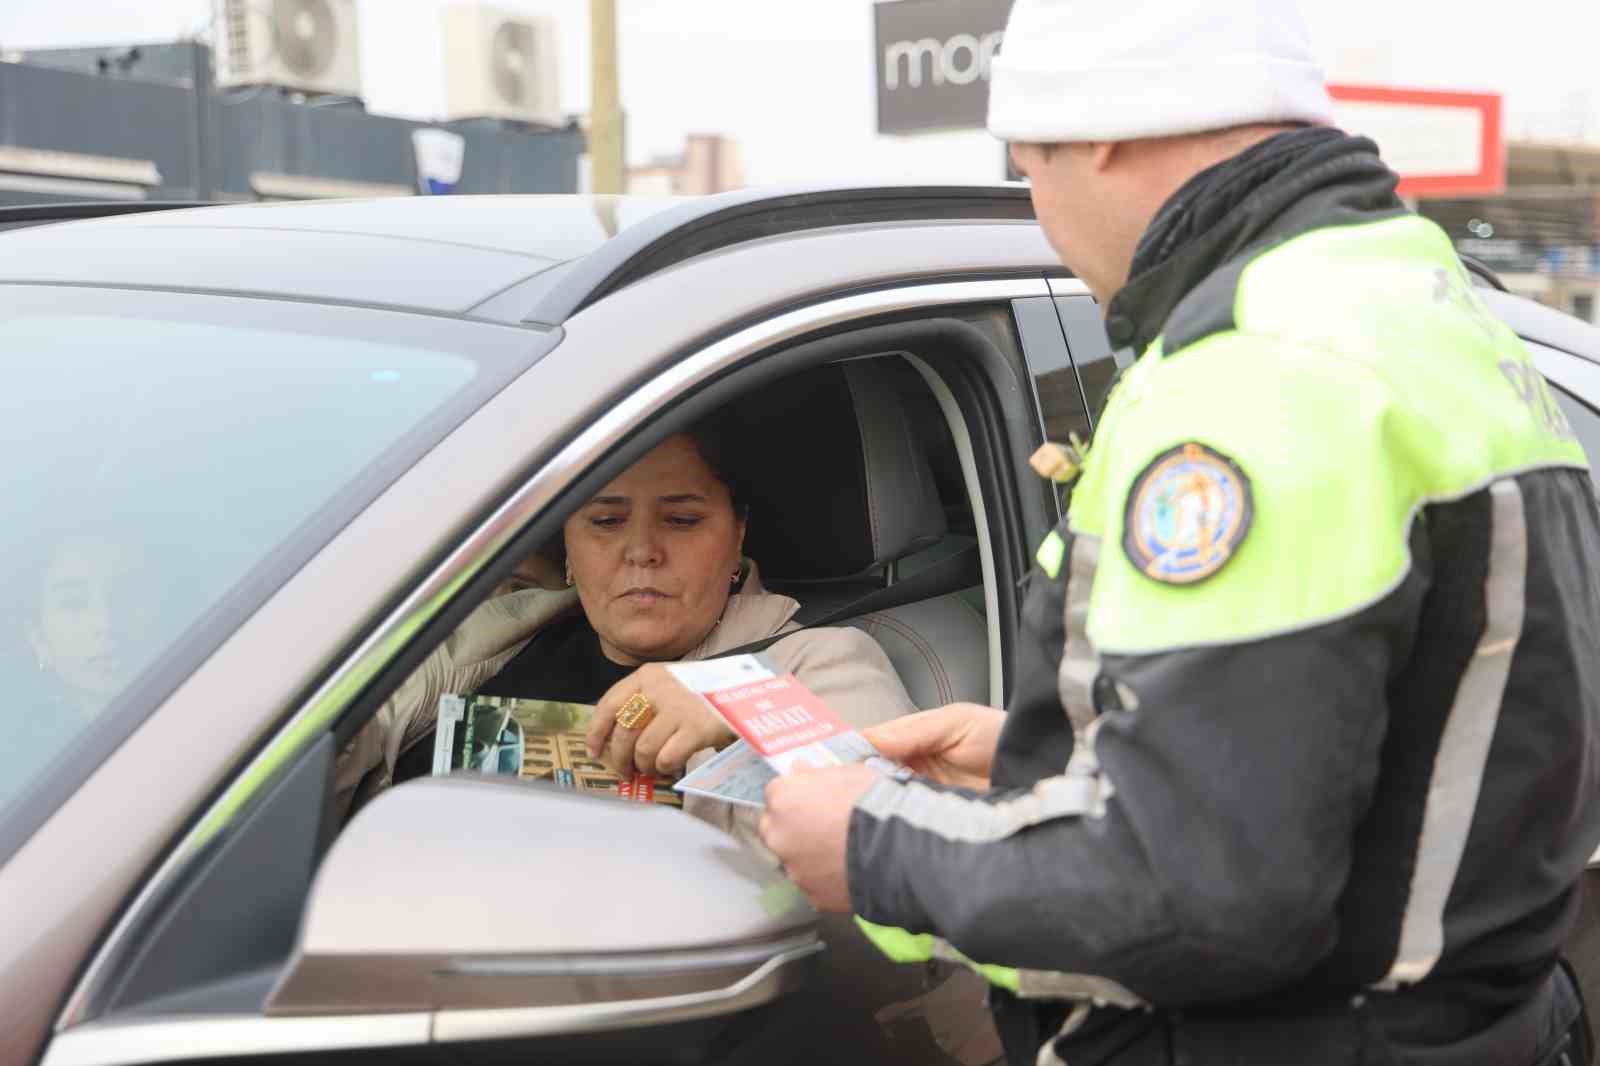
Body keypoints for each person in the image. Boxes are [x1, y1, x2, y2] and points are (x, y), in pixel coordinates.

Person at [755, 2, 1600, 1064]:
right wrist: (1047, 758)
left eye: (1030, 168)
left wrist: (875, 845)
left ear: (1098, 132)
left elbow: (1198, 899)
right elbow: (1376, 752)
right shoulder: (1422, 311)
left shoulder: (1258, 374)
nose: (1043, 216)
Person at [334, 421, 918, 817]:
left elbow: (885, 829)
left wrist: (736, 707)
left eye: (682, 521)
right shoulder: (483, 638)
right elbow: (316, 746)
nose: (642, 551)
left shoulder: (815, 662)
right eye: (606, 522)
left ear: (737, 534)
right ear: (567, 540)